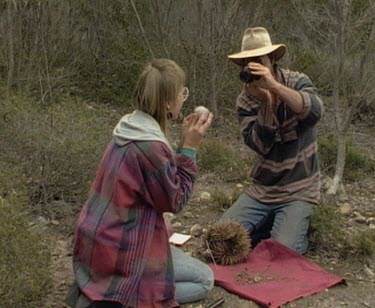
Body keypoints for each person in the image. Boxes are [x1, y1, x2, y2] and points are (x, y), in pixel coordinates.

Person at [66, 59, 214, 308]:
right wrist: (189, 148)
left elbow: (155, 188)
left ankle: (94, 289)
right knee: (204, 280)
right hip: (124, 250)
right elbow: (175, 200)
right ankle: (130, 297)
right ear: (168, 102)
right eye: (182, 93)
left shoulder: (129, 127)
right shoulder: (151, 146)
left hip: (96, 242)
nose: (183, 98)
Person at [220, 27, 324, 255]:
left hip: (299, 187)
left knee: (282, 252)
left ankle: (292, 232)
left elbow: (315, 112)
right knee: (219, 239)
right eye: (249, 62)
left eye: (260, 61)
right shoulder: (246, 100)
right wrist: (266, 102)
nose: (254, 66)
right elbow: (260, 145)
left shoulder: (297, 81)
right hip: (263, 188)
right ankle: (271, 225)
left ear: (272, 59)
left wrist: (275, 88)